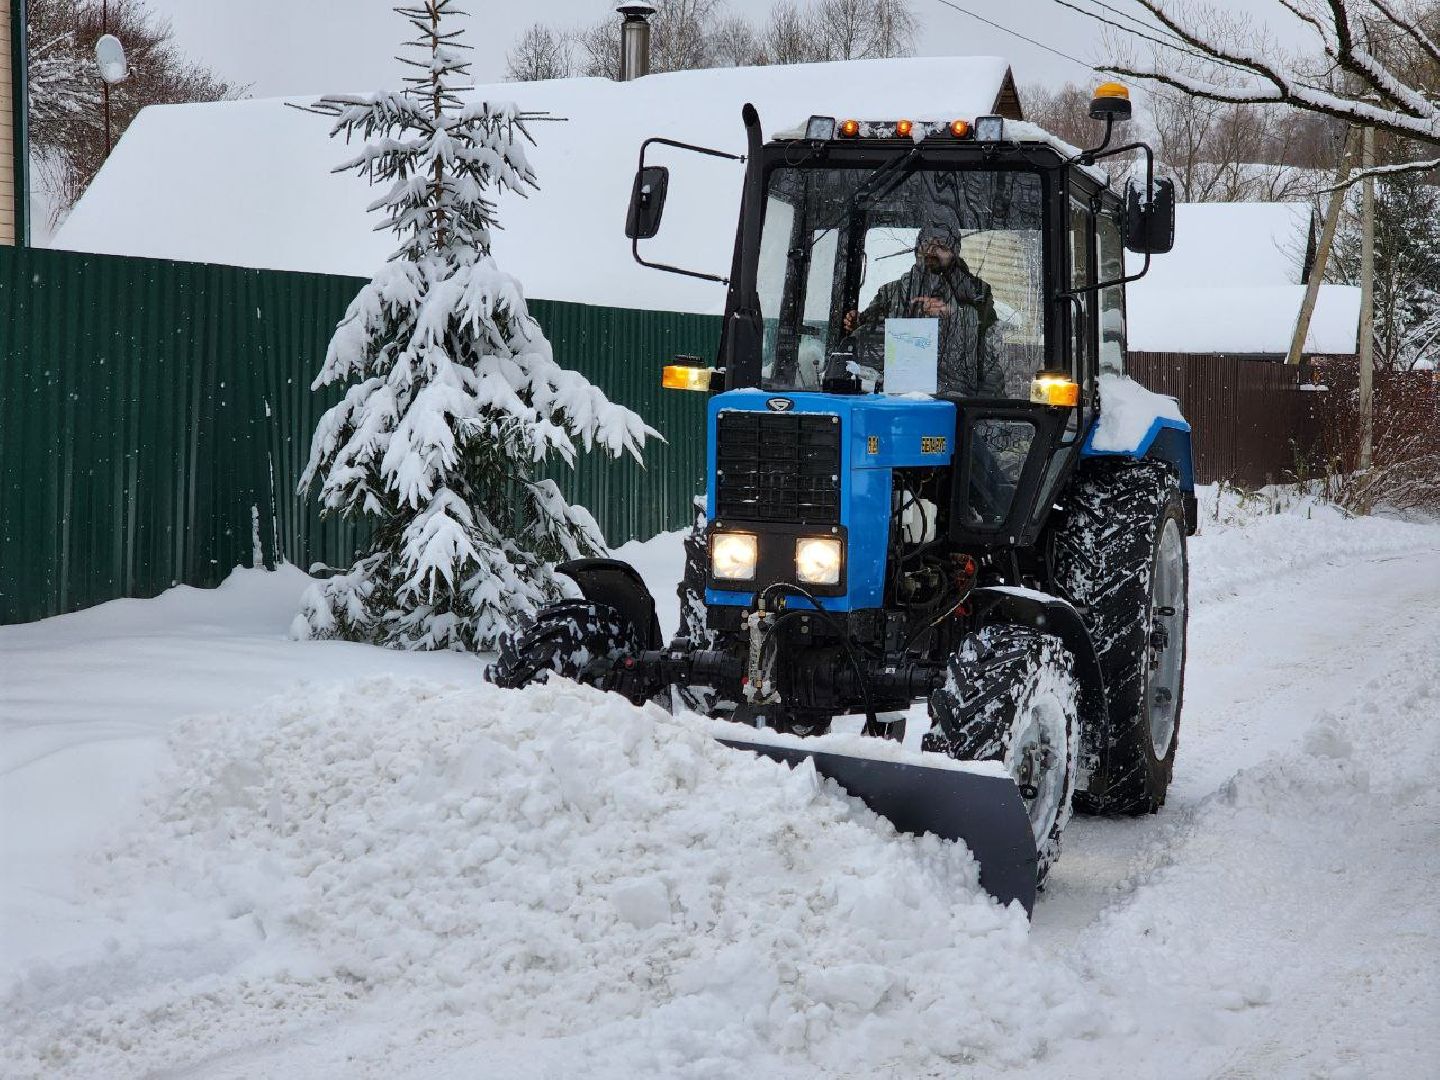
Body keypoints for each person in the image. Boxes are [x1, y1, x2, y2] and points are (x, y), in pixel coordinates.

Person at [842, 224, 1005, 395]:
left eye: (941, 245)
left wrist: (955, 315)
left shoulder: (977, 293)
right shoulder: (890, 293)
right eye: (926, 242)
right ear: (917, 248)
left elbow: (989, 349)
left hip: (958, 401)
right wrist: (857, 322)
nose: (932, 249)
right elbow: (868, 338)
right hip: (897, 397)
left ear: (955, 253)